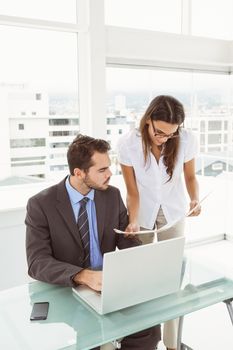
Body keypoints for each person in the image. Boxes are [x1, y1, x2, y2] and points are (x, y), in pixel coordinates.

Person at [25, 134, 161, 350]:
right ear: (78, 173)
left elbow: (124, 241)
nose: (110, 174)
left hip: (108, 285)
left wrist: (134, 243)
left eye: (109, 167)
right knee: (91, 342)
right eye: (101, 170)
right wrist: (82, 275)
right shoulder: (41, 204)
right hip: (70, 290)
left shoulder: (112, 195)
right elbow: (37, 262)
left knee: (150, 329)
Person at [117, 95, 201, 350]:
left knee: (171, 277)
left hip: (173, 212)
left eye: (171, 134)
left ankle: (172, 343)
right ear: (148, 120)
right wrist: (132, 221)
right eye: (160, 132)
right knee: (143, 278)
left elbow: (189, 176)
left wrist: (195, 199)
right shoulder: (127, 144)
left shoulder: (186, 140)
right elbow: (132, 191)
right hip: (141, 214)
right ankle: (144, 341)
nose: (164, 138)